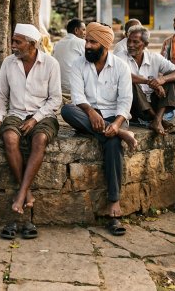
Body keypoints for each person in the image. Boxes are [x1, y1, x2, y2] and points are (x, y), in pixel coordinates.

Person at [0, 24, 62, 240]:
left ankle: (20, 194)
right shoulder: (9, 64)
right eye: (13, 40)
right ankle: (25, 192)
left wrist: (36, 119)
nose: (13, 46)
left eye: (17, 42)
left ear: (32, 44)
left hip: (44, 114)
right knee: (9, 137)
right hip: (16, 113)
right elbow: (0, 96)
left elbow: (55, 99)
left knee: (40, 139)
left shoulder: (50, 64)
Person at [60, 22, 135, 236]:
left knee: (112, 143)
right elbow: (77, 97)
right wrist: (91, 112)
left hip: (115, 117)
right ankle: (120, 135)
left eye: (93, 42)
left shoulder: (120, 66)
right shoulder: (78, 65)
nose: (87, 46)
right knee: (67, 110)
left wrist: (117, 124)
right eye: (87, 41)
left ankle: (114, 203)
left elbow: (125, 101)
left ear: (105, 45)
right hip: (86, 114)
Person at [126, 25, 175, 136]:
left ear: (145, 44)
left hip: (155, 104)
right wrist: (150, 82)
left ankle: (157, 119)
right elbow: (125, 75)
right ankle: (158, 120)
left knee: (171, 78)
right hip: (135, 108)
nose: (130, 45)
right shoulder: (120, 57)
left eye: (135, 42)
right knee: (129, 82)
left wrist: (162, 80)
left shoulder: (154, 57)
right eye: (129, 41)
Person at [52, 18, 86, 94]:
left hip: (58, 86)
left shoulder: (58, 43)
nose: (85, 33)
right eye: (83, 30)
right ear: (76, 30)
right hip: (72, 88)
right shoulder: (80, 42)